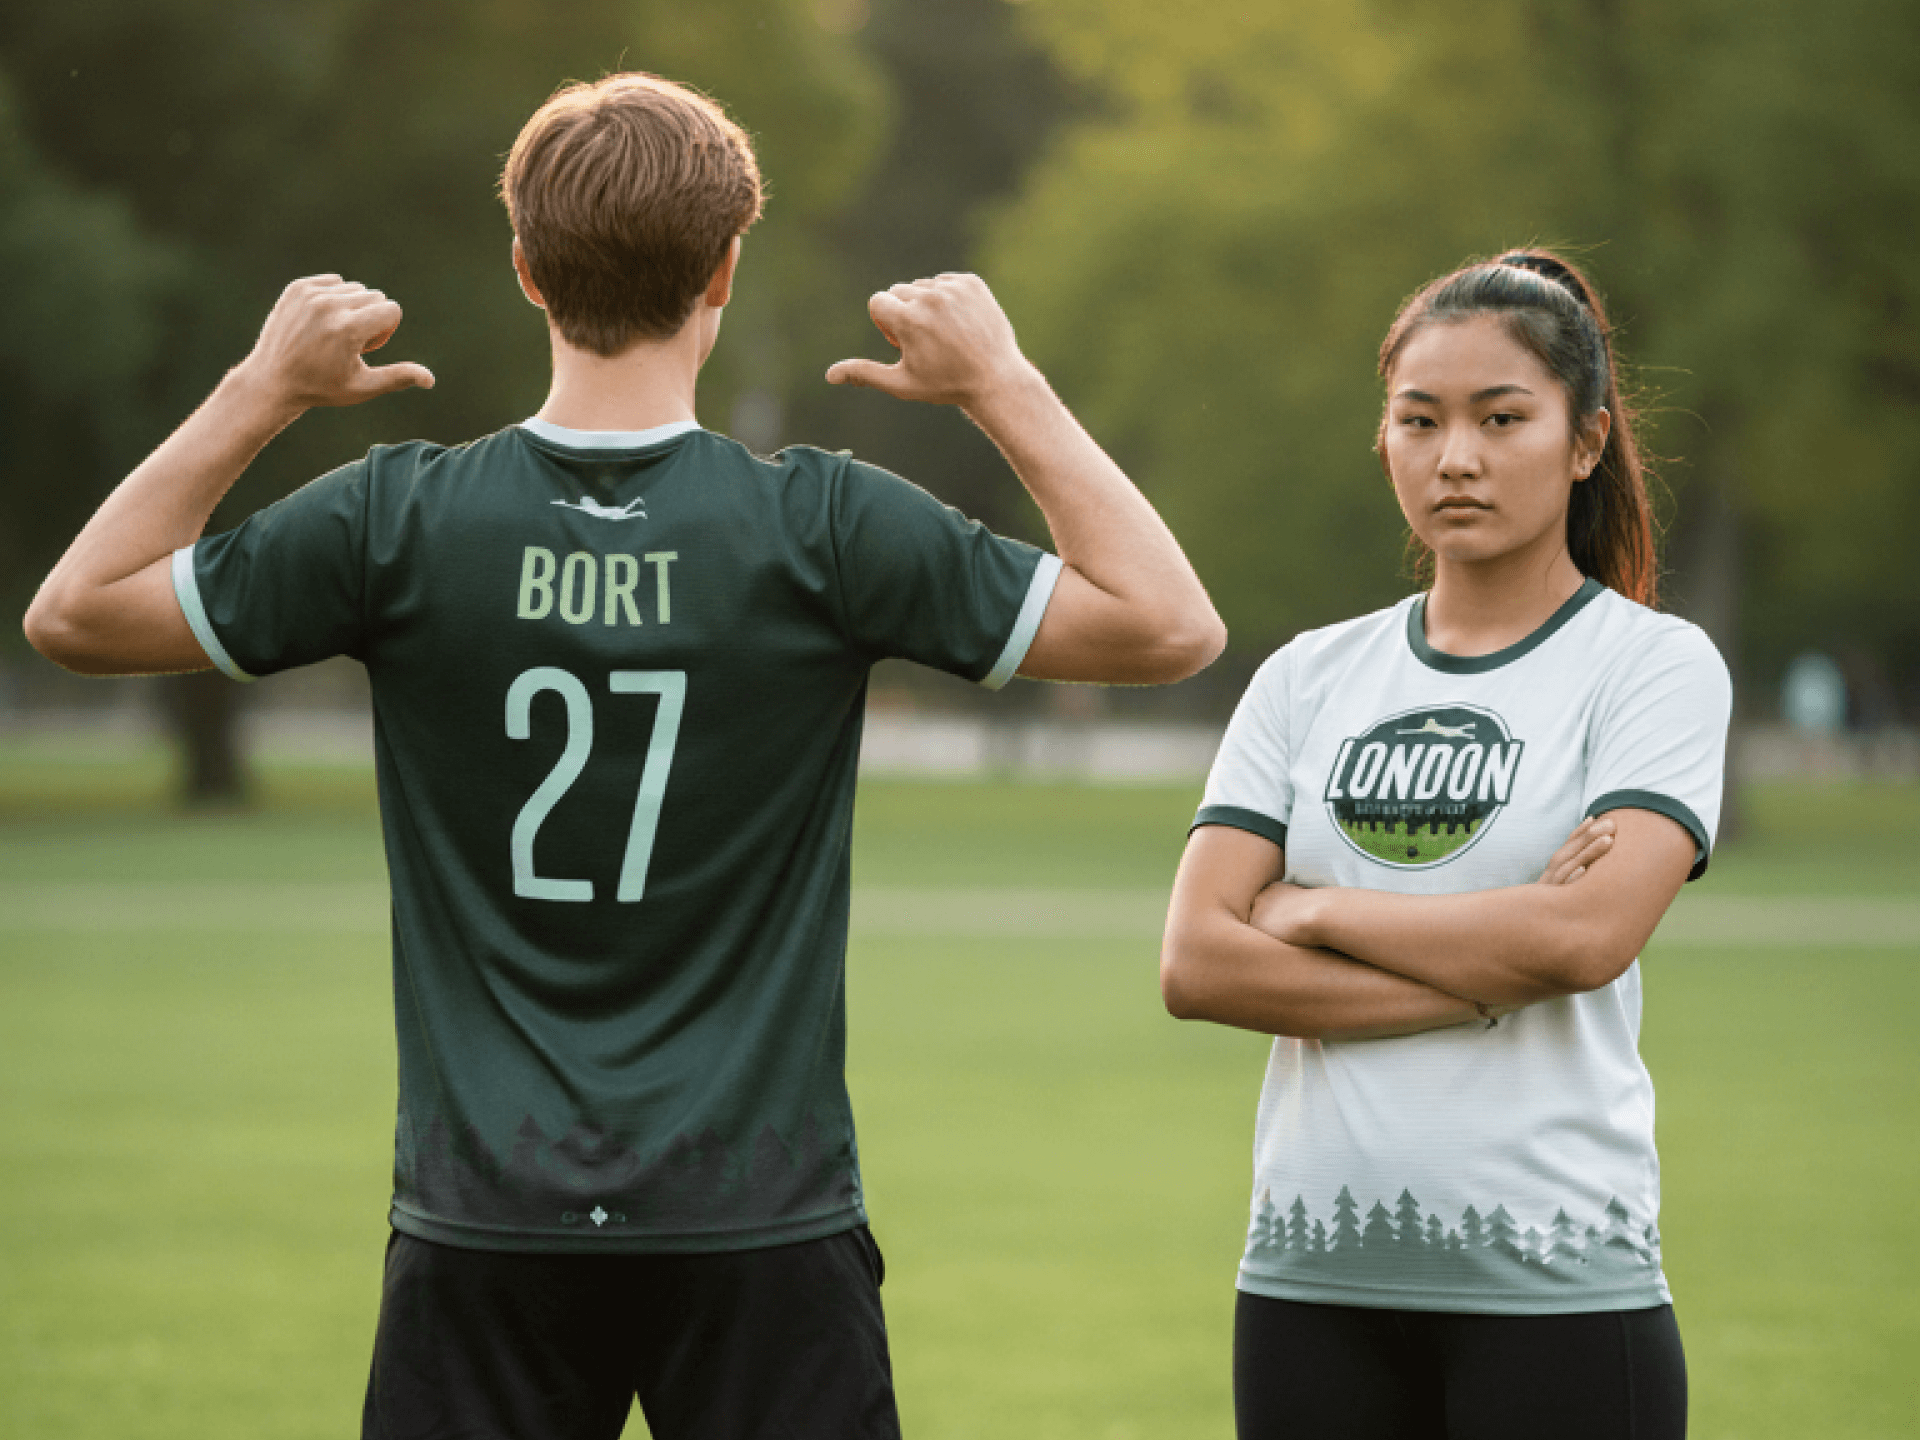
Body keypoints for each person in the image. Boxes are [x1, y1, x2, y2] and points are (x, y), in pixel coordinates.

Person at [24, 73, 1224, 1440]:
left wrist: (263, 390)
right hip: (761, 1218)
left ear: (526, 270)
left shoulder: (398, 518)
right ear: (725, 268)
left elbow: (76, 612)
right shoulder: (821, 527)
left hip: (484, 1222)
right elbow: (1169, 625)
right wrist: (1001, 385)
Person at [1160, 249, 1731, 1440]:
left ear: (1586, 442)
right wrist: (1487, 965)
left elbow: (1584, 937)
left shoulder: (1652, 667)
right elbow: (1200, 965)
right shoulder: (1307, 677)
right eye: (1419, 421)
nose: (1455, 457)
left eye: (1501, 418)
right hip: (1308, 1283)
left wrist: (1316, 912)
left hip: (1561, 1287)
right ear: (1384, 443)